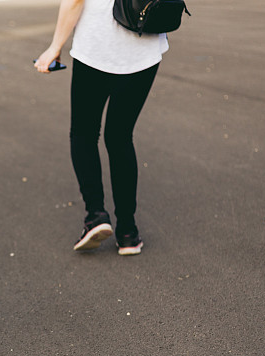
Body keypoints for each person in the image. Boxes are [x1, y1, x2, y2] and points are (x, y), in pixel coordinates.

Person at [35, 0, 169, 255]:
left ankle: (96, 215)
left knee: (84, 134)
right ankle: (128, 232)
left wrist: (55, 46)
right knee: (120, 137)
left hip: (97, 47)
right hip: (146, 43)